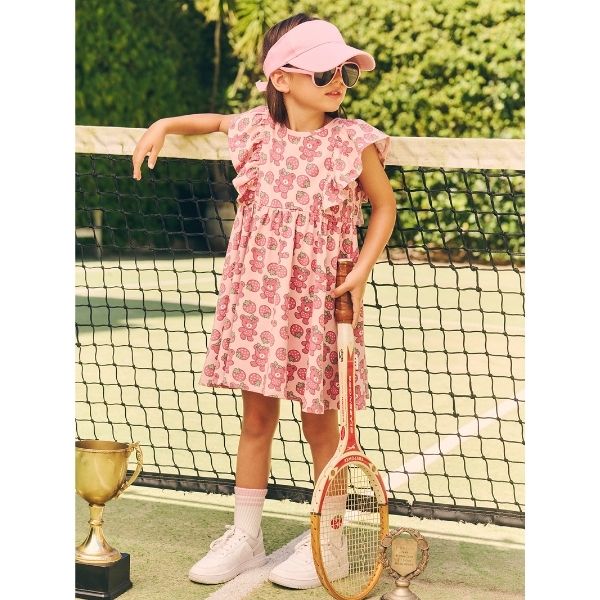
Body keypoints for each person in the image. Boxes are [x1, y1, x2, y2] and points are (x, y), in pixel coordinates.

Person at [131, 12, 396, 590]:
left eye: (345, 72)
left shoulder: (354, 141)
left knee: (321, 423)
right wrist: (165, 122)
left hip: (321, 300)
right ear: (283, 79)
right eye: (325, 70)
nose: (339, 82)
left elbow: (384, 206)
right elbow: (216, 118)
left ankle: (327, 541)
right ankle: (246, 536)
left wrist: (362, 272)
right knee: (257, 418)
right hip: (256, 300)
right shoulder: (255, 131)